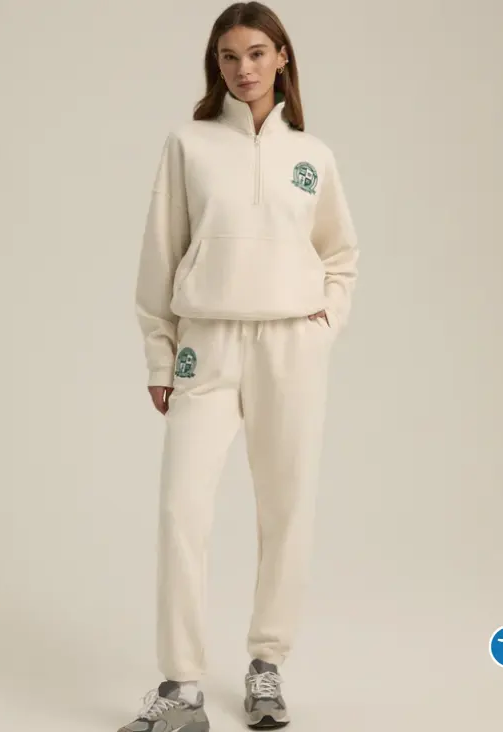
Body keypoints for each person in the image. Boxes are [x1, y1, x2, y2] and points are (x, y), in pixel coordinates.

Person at [119, 2, 359, 730]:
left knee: (286, 508)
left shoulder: (313, 156)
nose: (244, 68)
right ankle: (182, 687)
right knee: (181, 509)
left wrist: (324, 324)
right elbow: (160, 254)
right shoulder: (188, 144)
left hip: (290, 347)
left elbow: (340, 255)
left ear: (282, 58)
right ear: (215, 64)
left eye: (257, 53)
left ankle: (266, 664)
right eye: (229, 56)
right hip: (208, 341)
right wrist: (160, 355)